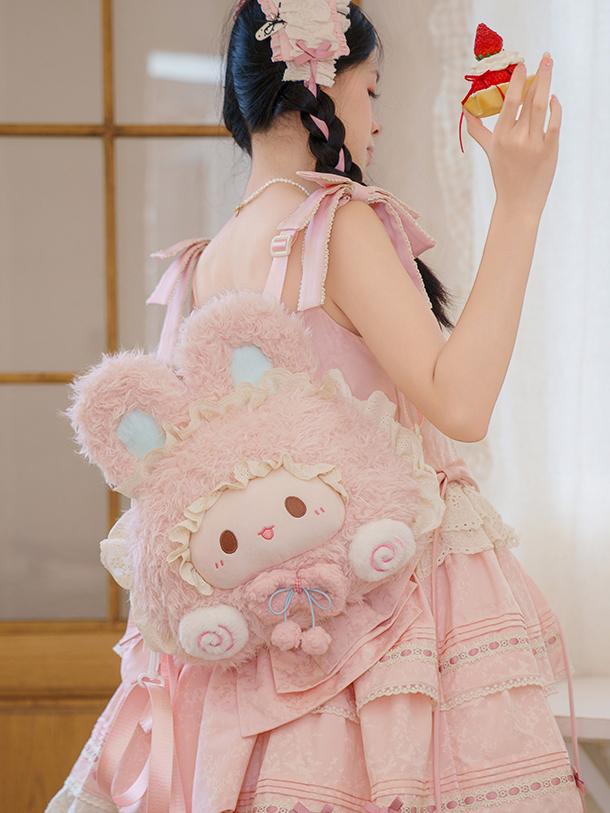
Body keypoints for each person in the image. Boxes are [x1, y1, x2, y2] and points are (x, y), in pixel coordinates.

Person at [47, 2, 587, 812]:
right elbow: (461, 404)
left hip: (257, 638)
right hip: (380, 603)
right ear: (321, 91)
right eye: (372, 91)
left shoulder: (203, 264)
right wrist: (520, 201)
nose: (376, 120)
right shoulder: (336, 225)